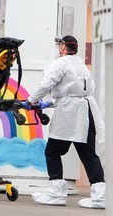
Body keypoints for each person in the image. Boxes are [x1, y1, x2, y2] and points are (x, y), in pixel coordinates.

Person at [26, 35, 106, 209]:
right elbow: (77, 91)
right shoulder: (81, 65)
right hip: (86, 112)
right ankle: (100, 196)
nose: (58, 48)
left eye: (59, 45)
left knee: (53, 151)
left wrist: (31, 100)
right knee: (88, 154)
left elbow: (46, 84)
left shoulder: (60, 63)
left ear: (63, 48)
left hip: (69, 114)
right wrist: (50, 102)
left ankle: (56, 192)